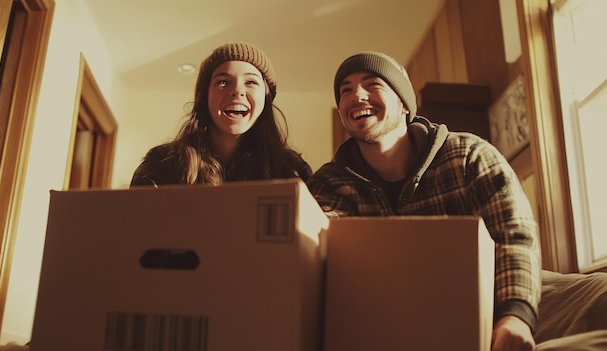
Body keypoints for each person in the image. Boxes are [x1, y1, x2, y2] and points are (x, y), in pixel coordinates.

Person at [306, 51, 542, 350]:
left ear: (404, 104)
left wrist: (515, 317)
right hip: (377, 330)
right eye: (346, 90)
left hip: (481, 320)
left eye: (372, 84)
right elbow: (319, 255)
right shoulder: (328, 184)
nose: (357, 95)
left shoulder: (469, 155)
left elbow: (514, 236)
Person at [130, 42, 311, 187]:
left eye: (251, 82)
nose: (237, 90)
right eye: (223, 81)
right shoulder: (161, 164)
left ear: (265, 98)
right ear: (204, 97)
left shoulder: (292, 170)